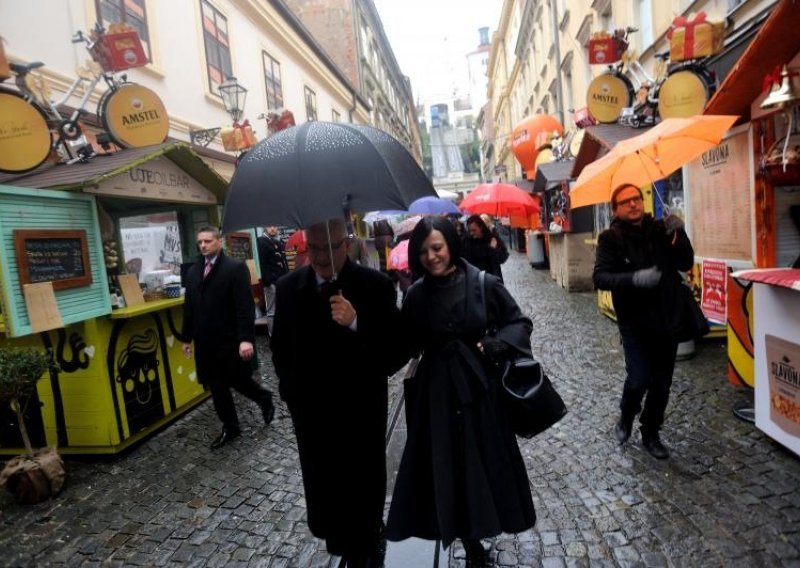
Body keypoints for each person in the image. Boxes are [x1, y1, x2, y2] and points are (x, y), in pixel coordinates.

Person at [386, 217, 536, 568]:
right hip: (436, 397)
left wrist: (497, 344)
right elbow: (401, 347)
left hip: (480, 390)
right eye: (422, 252)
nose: (431, 257)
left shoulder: (482, 283)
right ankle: (469, 542)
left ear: (450, 244)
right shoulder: (416, 296)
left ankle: (486, 522)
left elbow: (519, 322)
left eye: (436, 248)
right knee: (449, 466)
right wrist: (356, 324)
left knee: (482, 463)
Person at [270, 218, 404, 567]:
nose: (319, 256)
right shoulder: (288, 288)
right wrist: (291, 394)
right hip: (313, 414)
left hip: (360, 410)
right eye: (312, 248)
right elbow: (280, 348)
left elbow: (394, 352)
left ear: (346, 243)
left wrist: (357, 323)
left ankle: (367, 542)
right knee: (325, 489)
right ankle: (342, 542)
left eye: (328, 247)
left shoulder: (376, 287)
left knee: (363, 488)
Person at [592, 184, 695, 460]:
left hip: (666, 319)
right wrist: (634, 279)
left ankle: (651, 432)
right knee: (638, 379)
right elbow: (600, 278)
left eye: (637, 198)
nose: (634, 204)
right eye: (626, 202)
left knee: (662, 384)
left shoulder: (661, 230)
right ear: (616, 209)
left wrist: (680, 233)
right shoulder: (610, 239)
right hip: (634, 323)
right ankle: (626, 414)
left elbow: (685, 262)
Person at [181, 226, 275, 449]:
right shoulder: (194, 271)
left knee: (238, 380)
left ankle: (264, 398)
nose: (203, 245)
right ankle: (230, 427)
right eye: (200, 242)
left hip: (229, 339)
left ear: (219, 242)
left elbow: (244, 307)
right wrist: (186, 338)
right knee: (217, 386)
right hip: (205, 342)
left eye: (207, 241)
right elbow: (190, 307)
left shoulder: (234, 268)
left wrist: (246, 339)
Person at [462, 214, 509, 281]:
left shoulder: (491, 238)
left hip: (492, 279)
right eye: (470, 230)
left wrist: (494, 249)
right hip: (474, 280)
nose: (471, 233)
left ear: (481, 227)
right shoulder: (466, 241)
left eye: (474, 230)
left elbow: (502, 258)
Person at [256, 225, 288, 319]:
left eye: (275, 226)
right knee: (272, 311)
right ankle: (272, 333)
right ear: (265, 228)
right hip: (271, 282)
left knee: (282, 308)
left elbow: (283, 262)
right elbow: (262, 263)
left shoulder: (277, 242)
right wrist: (268, 282)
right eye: (270, 226)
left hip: (281, 280)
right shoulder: (261, 241)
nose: (273, 228)